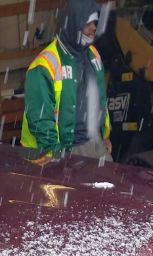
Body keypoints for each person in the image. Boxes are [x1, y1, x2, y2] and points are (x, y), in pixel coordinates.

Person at [21, 0, 112, 161]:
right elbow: (40, 118)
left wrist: (104, 135)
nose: (93, 28)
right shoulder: (45, 64)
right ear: (74, 23)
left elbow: (98, 99)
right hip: (63, 151)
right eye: (87, 23)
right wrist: (55, 156)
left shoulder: (93, 55)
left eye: (95, 22)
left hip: (94, 144)